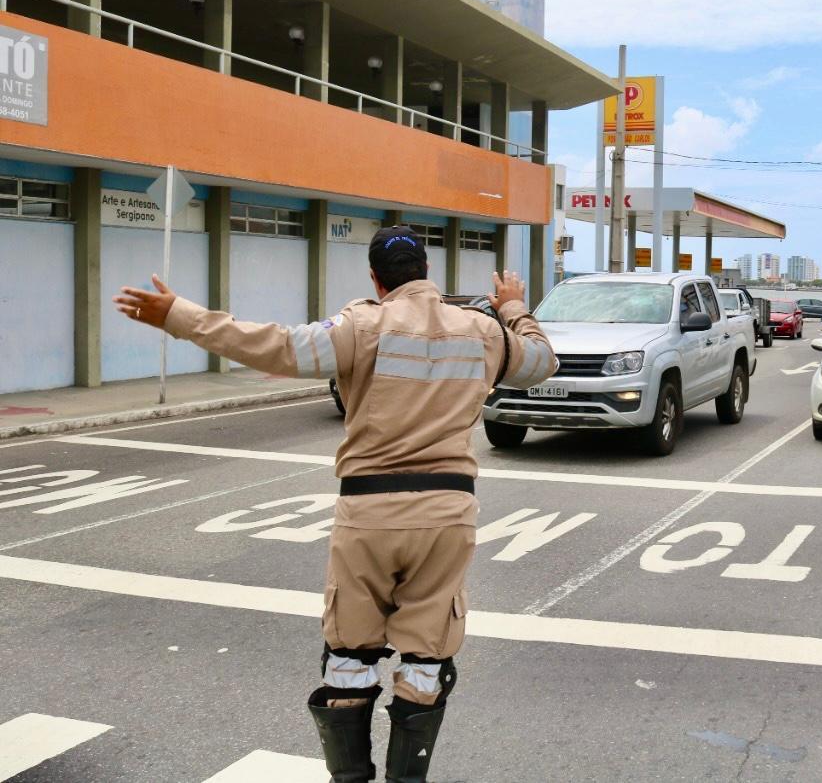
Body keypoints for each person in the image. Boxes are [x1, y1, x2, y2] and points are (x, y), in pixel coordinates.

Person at [112, 225, 557, 782]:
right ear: (425, 272)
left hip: (367, 516)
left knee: (348, 657)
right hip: (446, 518)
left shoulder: (361, 326)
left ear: (375, 277)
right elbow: (542, 362)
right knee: (427, 660)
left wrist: (179, 314)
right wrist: (514, 307)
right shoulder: (484, 331)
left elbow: (274, 344)